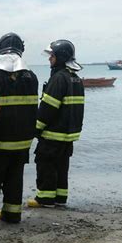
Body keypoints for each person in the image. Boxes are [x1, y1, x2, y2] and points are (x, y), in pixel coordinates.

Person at [0, 32, 39, 225]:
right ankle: (13, 215)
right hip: (22, 142)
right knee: (15, 180)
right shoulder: (32, 77)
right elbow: (32, 111)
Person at [28, 40, 84, 208]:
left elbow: (48, 108)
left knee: (46, 164)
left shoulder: (59, 78)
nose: (49, 59)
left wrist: (36, 128)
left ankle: (45, 199)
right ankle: (60, 198)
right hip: (68, 135)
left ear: (60, 57)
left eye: (52, 56)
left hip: (53, 134)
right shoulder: (75, 78)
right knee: (62, 167)